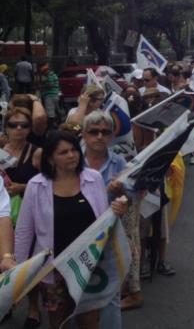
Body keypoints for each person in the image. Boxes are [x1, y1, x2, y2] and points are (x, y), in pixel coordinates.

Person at [14, 130, 128, 329]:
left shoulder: (94, 178)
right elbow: (24, 231)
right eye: (63, 152)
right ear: (50, 158)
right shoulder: (36, 185)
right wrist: (20, 273)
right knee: (58, 321)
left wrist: (120, 207)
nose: (71, 155)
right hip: (53, 267)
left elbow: (104, 219)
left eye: (74, 150)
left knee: (89, 319)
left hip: (89, 264)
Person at [81, 111, 127, 325]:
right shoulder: (71, 158)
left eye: (105, 132)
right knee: (78, 293)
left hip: (108, 237)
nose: (99, 136)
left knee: (110, 295)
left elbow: (131, 197)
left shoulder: (119, 162)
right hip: (77, 237)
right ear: (84, 134)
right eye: (94, 132)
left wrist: (121, 198)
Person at [1, 107, 41, 326]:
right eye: (13, 125)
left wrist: (22, 187)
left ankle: (33, 308)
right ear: (5, 128)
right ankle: (6, 303)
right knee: (4, 260)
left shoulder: (36, 152)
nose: (18, 129)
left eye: (24, 125)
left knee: (28, 263)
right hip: (4, 213)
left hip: (29, 214)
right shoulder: (0, 149)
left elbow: (49, 183)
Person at [39, 62, 60, 128]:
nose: (44, 74)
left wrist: (41, 86)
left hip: (50, 95)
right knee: (55, 110)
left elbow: (50, 85)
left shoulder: (50, 75)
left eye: (43, 73)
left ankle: (51, 127)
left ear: (46, 71)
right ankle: (59, 123)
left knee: (50, 112)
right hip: (54, 95)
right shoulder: (54, 75)